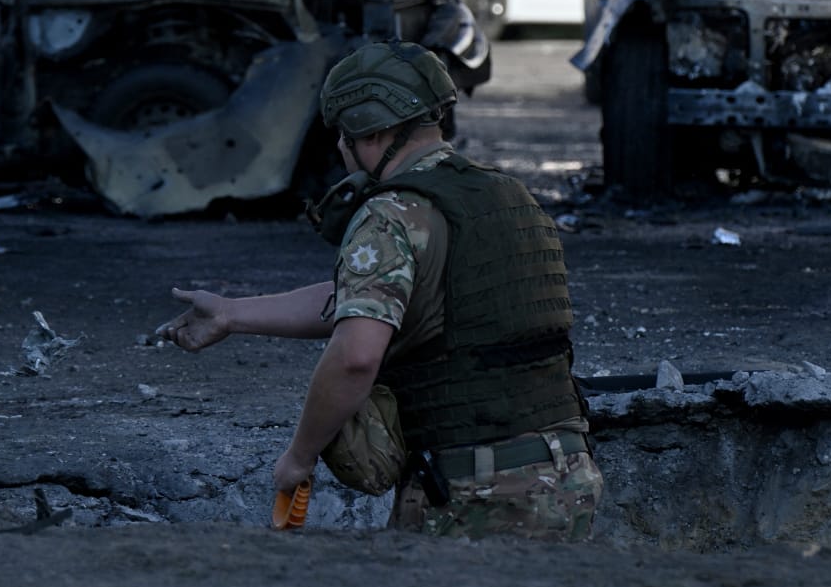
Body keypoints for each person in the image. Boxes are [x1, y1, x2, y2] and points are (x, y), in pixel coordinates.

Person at [159, 41, 603, 540]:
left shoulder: (392, 213)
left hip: (475, 490)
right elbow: (374, 299)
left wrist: (299, 457)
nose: (340, 147)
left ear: (369, 127)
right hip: (567, 477)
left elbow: (356, 355)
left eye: (343, 133)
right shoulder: (506, 194)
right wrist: (232, 314)